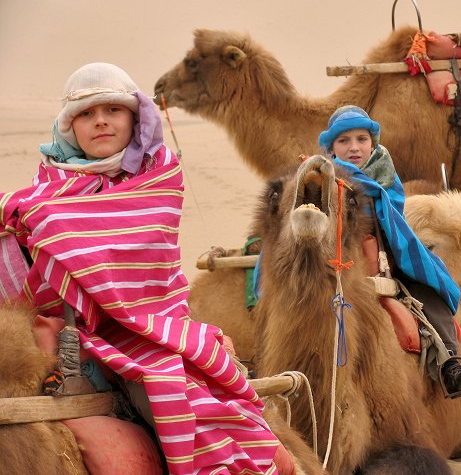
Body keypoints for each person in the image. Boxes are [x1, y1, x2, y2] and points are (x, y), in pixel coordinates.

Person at [0, 63, 281, 475]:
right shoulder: (46, 186)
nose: (100, 121)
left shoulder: (158, 179)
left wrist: (40, 218)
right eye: (85, 113)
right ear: (69, 125)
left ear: (135, 117)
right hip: (58, 328)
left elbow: (129, 263)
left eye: (113, 110)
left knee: (177, 402)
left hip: (145, 329)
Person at [319, 105, 461, 398]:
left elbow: (393, 218)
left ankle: (449, 362)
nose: (354, 147)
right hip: (334, 262)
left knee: (427, 285)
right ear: (331, 148)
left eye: (361, 139)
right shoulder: (321, 179)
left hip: (386, 254)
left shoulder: (385, 176)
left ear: (373, 143)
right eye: (344, 141)